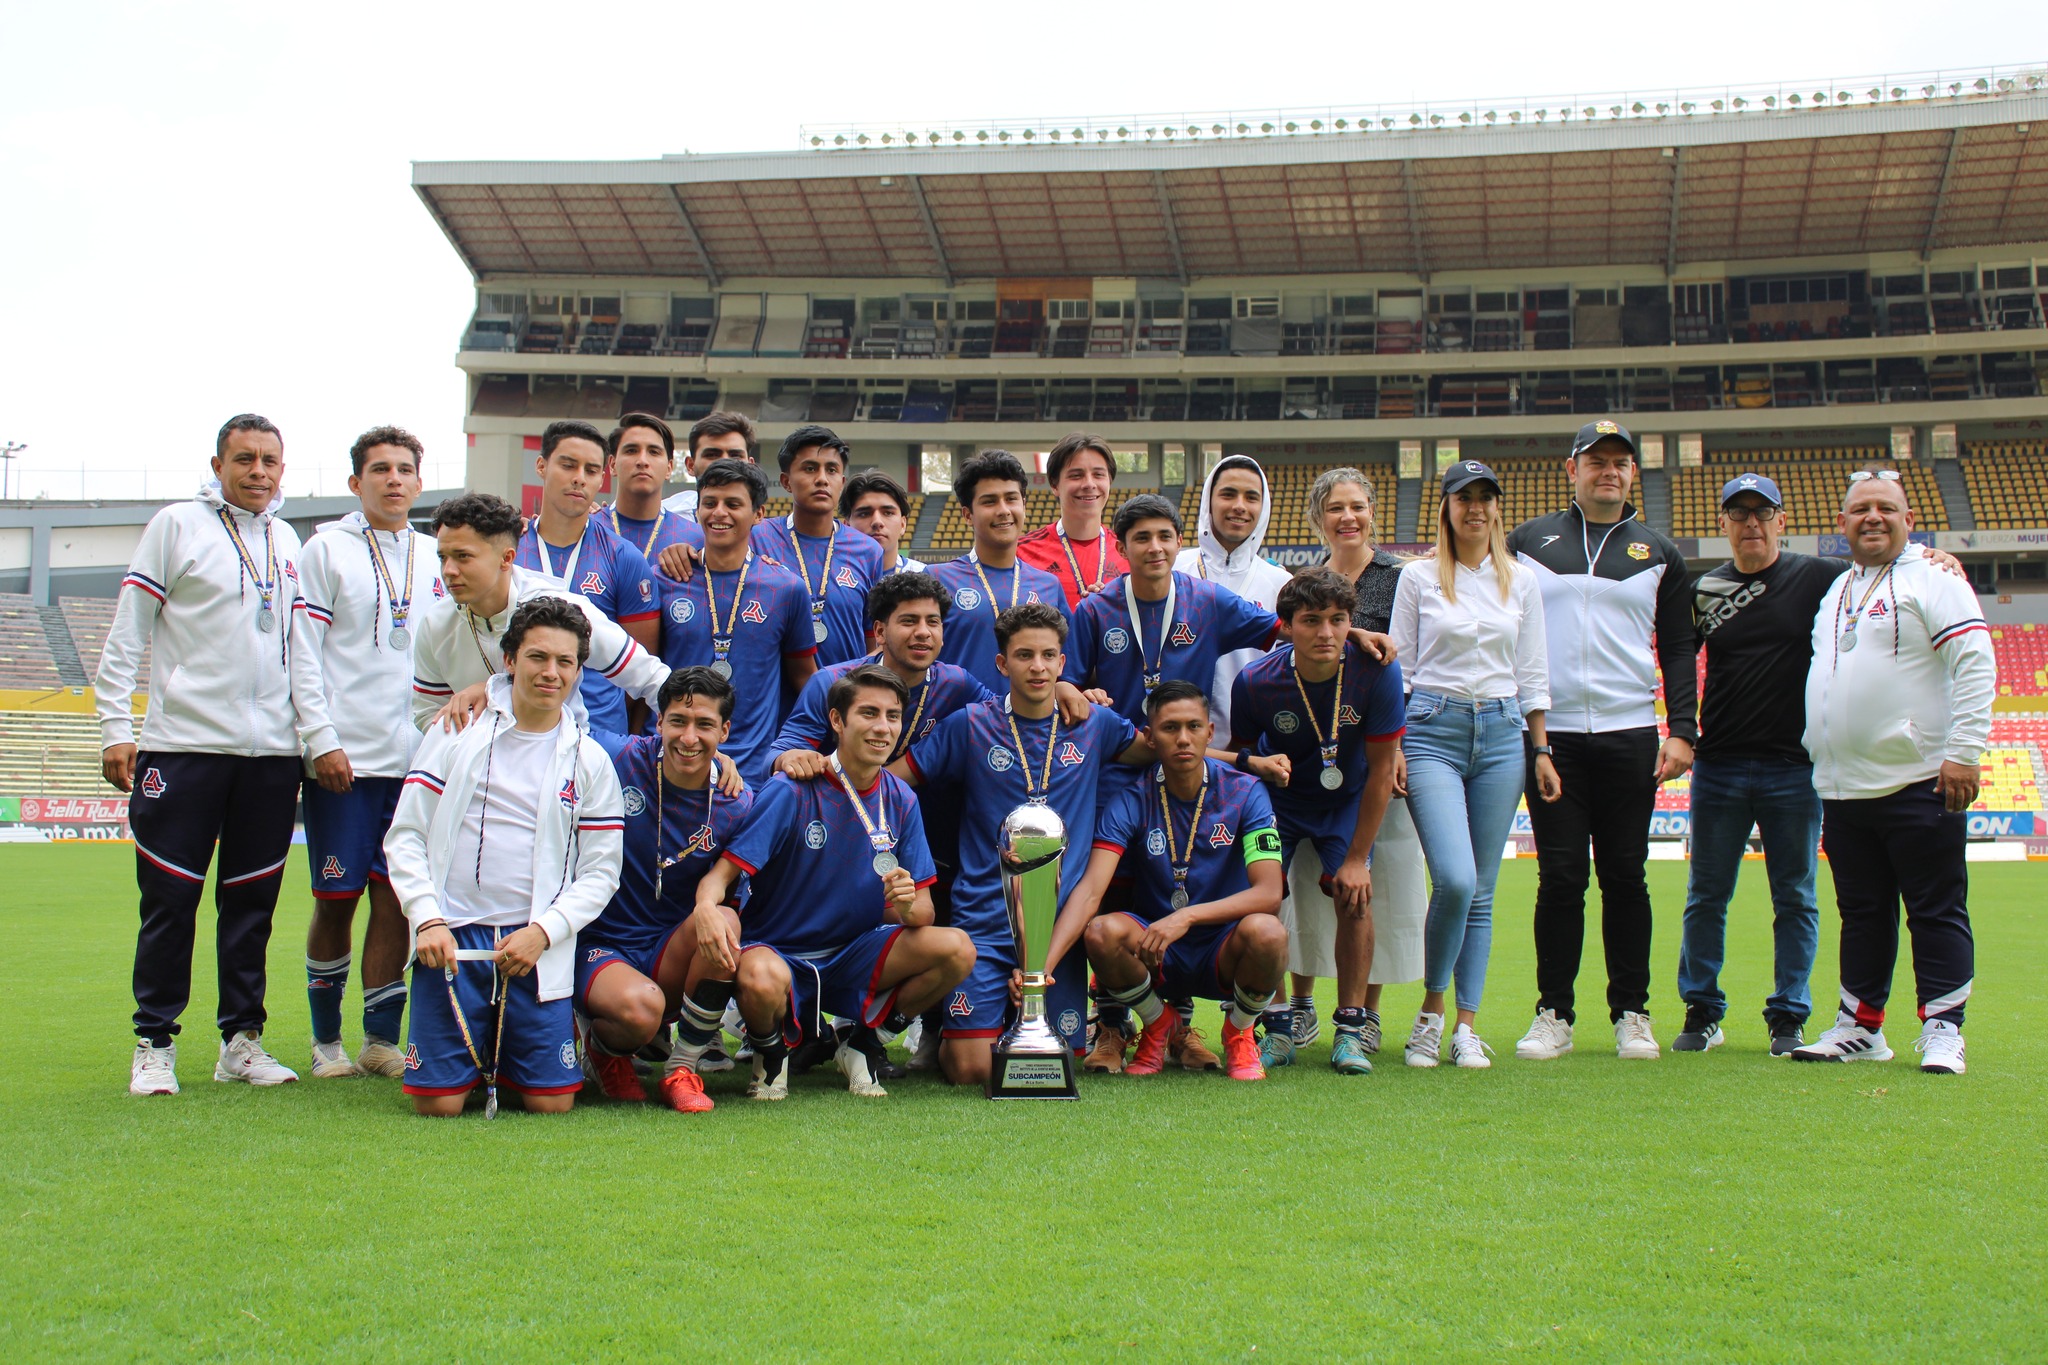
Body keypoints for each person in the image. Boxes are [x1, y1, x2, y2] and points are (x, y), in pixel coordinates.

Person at [1680, 472, 1965, 1056]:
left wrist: (1935, 556)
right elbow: (1680, 663)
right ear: (1724, 524)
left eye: (1763, 514)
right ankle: (1702, 1009)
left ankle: (1789, 1015)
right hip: (1720, 765)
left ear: (1783, 521)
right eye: (1740, 515)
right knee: (1706, 894)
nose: (1752, 524)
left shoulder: (1822, 579)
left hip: (1796, 769)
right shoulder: (1704, 590)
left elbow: (1884, 567)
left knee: (1797, 898)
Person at [107, 414, 337, 1097]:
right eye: (245, 458)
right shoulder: (176, 525)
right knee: (171, 901)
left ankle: (242, 1040)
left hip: (269, 756)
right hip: (183, 746)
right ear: (218, 463)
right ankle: (154, 1042)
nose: (259, 470)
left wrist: (312, 736)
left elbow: (300, 651)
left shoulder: (288, 539)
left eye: (270, 459)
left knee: (252, 905)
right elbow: (129, 631)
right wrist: (114, 724)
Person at [383, 597, 625, 1116]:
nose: (551, 673)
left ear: (579, 671)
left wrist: (545, 932)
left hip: (534, 946)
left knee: (551, 1104)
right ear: (510, 659)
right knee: (439, 1108)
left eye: (566, 662)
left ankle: (515, 1050)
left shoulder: (590, 759)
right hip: (452, 941)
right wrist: (427, 921)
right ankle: (472, 1057)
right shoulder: (455, 733)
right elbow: (405, 836)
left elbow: (602, 872)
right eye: (538, 657)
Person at [692, 666, 976, 1100]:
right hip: (780, 953)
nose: (883, 727)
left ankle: (863, 1043)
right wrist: (707, 910)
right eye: (868, 713)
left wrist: (903, 902)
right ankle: (772, 1053)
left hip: (853, 954)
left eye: (893, 716)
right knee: (761, 979)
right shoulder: (792, 788)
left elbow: (924, 912)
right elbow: (722, 875)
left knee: (957, 949)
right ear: (837, 721)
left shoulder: (901, 798)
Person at [1791, 470, 1994, 1075]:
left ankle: (1943, 1028)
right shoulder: (1835, 591)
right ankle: (1861, 1026)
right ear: (1841, 523)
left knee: (1934, 908)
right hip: (1844, 784)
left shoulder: (1934, 577)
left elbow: (1975, 661)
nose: (1872, 517)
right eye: (1860, 510)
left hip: (1919, 777)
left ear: (1909, 519)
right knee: (1863, 912)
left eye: (1886, 508)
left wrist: (1965, 750)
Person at [1507, 420, 1697, 1063]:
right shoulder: (1529, 542)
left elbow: (1676, 648)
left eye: (1620, 462)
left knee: (1625, 876)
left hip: (1630, 733)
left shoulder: (1660, 553)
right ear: (1572, 470)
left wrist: (1683, 731)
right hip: (1550, 736)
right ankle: (1553, 1012)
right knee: (1560, 877)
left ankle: (1632, 1013)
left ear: (1633, 473)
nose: (1608, 471)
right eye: (1596, 461)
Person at [1390, 461, 1558, 1070]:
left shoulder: (1524, 581)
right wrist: (1395, 748)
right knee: (1456, 879)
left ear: (1496, 508)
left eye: (1487, 498)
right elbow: (1400, 671)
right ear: (1447, 508)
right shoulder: (1418, 578)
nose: (1477, 509)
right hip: (1433, 728)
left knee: (1481, 890)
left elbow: (1533, 671)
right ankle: (1431, 1013)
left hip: (1505, 732)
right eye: (1465, 499)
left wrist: (1540, 749)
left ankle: (1465, 1024)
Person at [1038, 681, 1290, 1083]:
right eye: (1170, 728)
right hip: (1156, 948)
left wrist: (1187, 916)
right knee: (1101, 931)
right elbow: (1090, 892)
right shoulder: (1131, 798)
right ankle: (1160, 1023)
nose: (1184, 739)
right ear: (1150, 738)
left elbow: (1269, 893)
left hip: (1222, 945)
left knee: (1270, 932)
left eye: (1194, 727)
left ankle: (1239, 1030)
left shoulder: (1246, 792)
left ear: (1210, 733)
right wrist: (1042, 969)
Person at [293, 424, 444, 1079]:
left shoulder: (440, 554)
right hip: (345, 762)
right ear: (356, 482)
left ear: (419, 479)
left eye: (405, 468)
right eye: (379, 469)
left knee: (397, 900)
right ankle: (326, 1041)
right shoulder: (325, 549)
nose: (393, 479)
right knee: (336, 898)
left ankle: (380, 1038)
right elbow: (303, 652)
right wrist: (320, 739)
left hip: (416, 761)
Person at [1228, 570, 1405, 1074]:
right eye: (1311, 621)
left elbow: (1381, 771)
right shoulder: (1257, 682)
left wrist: (1355, 860)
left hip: (1345, 800)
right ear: (1286, 626)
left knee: (1354, 895)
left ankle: (1349, 1030)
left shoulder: (1376, 672)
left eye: (1338, 620)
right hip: (1276, 802)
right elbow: (1243, 760)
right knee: (1264, 898)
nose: (1326, 632)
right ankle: (1278, 1026)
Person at [575, 667, 755, 1113]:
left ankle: (682, 1065)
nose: (689, 737)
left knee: (726, 920)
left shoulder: (737, 803)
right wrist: (488, 691)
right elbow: (552, 723)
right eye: (678, 721)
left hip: (667, 951)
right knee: (640, 1012)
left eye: (705, 726)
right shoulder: (616, 756)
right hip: (598, 943)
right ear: (658, 721)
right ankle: (602, 1048)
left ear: (725, 730)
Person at [1293, 466, 1428, 1055]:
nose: (1348, 517)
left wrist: (1397, 749)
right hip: (1313, 750)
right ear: (1319, 519)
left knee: (1377, 879)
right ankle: (1299, 1004)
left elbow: (1414, 660)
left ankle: (1365, 1012)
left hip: (1379, 749)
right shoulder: (1308, 581)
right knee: (1300, 881)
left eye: (1358, 506)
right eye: (1335, 508)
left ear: (1374, 511)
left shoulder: (1403, 579)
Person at [409, 492, 673, 740]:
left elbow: (649, 676)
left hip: (561, 764)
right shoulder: (437, 622)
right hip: (477, 770)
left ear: (507, 558)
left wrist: (694, 739)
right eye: (443, 557)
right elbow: (428, 710)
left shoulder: (561, 610)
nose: (449, 570)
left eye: (463, 557)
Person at [654, 458, 818, 785]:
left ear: (758, 514)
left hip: (754, 768)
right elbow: (645, 667)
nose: (719, 513)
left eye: (733, 504)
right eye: (709, 503)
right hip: (675, 755)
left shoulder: (786, 588)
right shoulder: (666, 578)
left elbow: (804, 677)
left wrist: (798, 744)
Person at [516, 420, 661, 738]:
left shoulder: (624, 557)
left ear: (602, 478)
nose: (579, 479)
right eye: (568, 465)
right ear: (541, 466)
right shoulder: (511, 548)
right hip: (521, 727)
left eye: (591, 470)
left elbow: (641, 662)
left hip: (599, 734)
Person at [928, 449, 1071, 695]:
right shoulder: (937, 579)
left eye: (1011, 499)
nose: (1003, 510)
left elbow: (1067, 665)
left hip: (1030, 728)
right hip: (960, 723)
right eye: (989, 501)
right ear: (967, 514)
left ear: (1024, 506)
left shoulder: (1048, 585)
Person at [1175, 454, 1291, 739]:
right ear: (1208, 501)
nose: (1239, 506)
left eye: (1251, 497)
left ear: (1263, 508)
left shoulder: (1281, 583)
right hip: (1175, 742)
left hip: (1250, 745)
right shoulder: (1173, 569)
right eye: (1228, 494)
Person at [750, 425, 883, 668]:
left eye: (831, 470)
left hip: (846, 696)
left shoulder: (868, 550)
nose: (822, 478)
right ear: (786, 481)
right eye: (810, 468)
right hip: (779, 698)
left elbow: (871, 635)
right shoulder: (757, 537)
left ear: (841, 482)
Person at [1017, 432, 1129, 607]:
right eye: (1076, 475)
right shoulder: (1022, 553)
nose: (1089, 484)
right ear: (1054, 485)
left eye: (1098, 475)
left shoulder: (1128, 553)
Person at [606, 412, 702, 562]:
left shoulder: (696, 538)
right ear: (612, 465)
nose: (642, 461)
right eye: (631, 450)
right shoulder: (586, 530)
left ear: (669, 468)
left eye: (654, 452)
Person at [663, 411, 757, 519]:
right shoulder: (664, 519)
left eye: (735, 455)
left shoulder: (765, 531)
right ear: (691, 465)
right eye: (712, 455)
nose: (724, 462)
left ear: (751, 466)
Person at [841, 469, 925, 576]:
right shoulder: (829, 581)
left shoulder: (925, 576)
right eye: (864, 514)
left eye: (888, 513)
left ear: (903, 524)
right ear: (847, 526)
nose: (877, 522)